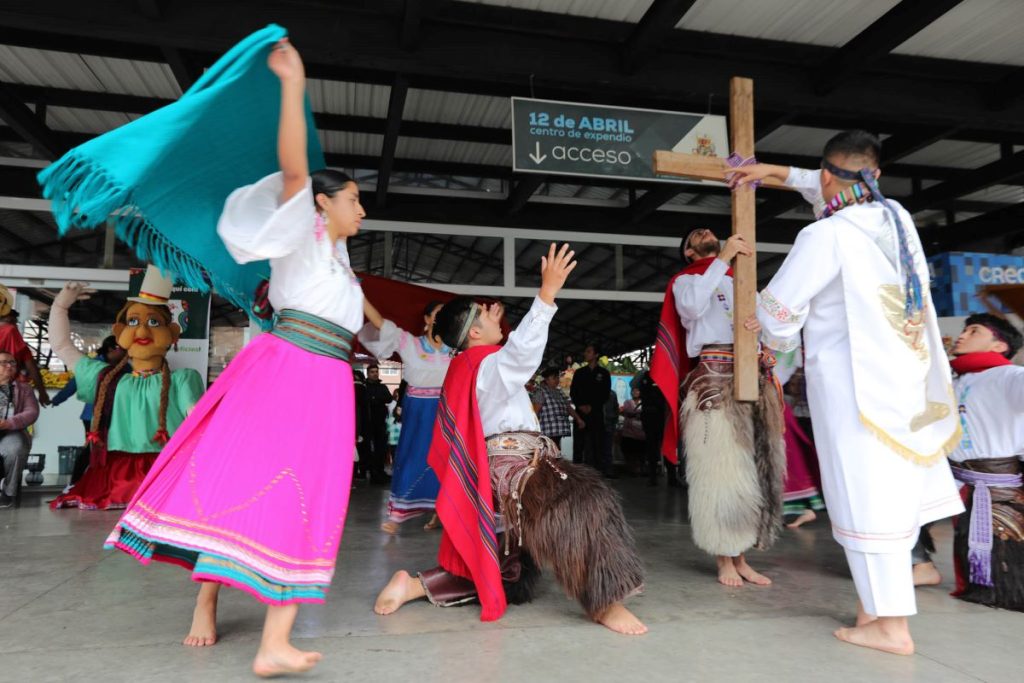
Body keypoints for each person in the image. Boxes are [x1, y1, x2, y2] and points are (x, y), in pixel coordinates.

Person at [104, 39, 364, 676]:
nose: (362, 207)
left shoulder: (341, 262)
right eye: (353, 197)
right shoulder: (301, 233)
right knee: (242, 479)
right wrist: (295, 90)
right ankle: (209, 600)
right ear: (322, 204)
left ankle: (274, 641)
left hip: (328, 379)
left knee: (313, 496)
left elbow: (355, 319)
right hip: (288, 370)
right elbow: (297, 169)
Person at [741, 130, 963, 655]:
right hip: (908, 389)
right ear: (876, 175)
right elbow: (838, 190)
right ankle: (873, 613)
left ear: (825, 175)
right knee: (892, 500)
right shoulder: (898, 220)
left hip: (857, 392)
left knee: (866, 504)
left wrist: (767, 328)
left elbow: (779, 310)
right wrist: (777, 174)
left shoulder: (826, 236)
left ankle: (891, 629)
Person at [373, 243, 646, 635]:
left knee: (503, 570)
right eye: (485, 313)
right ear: (474, 333)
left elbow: (509, 358)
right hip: (514, 465)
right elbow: (519, 358)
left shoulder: (474, 364)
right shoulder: (482, 363)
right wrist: (546, 295)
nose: (494, 312)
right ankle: (604, 601)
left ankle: (412, 585)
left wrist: (496, 327)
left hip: (518, 460)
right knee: (588, 502)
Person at [650, 227, 785, 588]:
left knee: (753, 470)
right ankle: (724, 559)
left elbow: (767, 326)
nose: (706, 233)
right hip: (711, 380)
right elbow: (692, 310)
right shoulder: (685, 283)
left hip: (750, 375)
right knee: (719, 472)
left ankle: (742, 558)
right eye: (696, 234)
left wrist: (763, 333)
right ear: (689, 252)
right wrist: (723, 258)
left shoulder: (737, 280)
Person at [48, 267, 205, 511]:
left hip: (166, 468)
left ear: (172, 334)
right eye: (133, 322)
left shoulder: (182, 379)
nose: (142, 331)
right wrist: (60, 307)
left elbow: (195, 415)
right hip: (115, 472)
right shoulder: (109, 379)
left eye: (154, 322)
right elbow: (62, 346)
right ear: (120, 334)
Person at [942, 314, 1024, 611]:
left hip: (998, 484)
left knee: (1005, 550)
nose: (962, 335)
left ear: (999, 344)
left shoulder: (1009, 377)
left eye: (974, 331)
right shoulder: (951, 380)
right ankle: (920, 566)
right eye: (964, 329)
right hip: (956, 479)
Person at [360, 300, 448, 532]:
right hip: (419, 411)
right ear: (427, 319)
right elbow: (379, 322)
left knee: (445, 463)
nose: (443, 318)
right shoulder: (410, 342)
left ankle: (441, 511)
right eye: (438, 314)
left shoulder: (456, 349)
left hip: (446, 412)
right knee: (413, 459)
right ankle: (397, 514)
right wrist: (359, 294)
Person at [50, 335, 127, 484]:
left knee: (114, 449)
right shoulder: (92, 365)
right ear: (111, 348)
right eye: (123, 349)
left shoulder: (125, 368)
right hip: (93, 417)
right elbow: (74, 383)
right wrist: (57, 399)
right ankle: (74, 484)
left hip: (116, 416)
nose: (126, 353)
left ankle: (105, 483)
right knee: (91, 450)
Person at [0, 351, 40, 508]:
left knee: (16, 448)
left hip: (11, 431)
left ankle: (8, 493)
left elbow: (32, 412)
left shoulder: (23, 388)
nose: (9, 366)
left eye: (12, 363)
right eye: (4, 363)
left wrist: (9, 423)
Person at [0, 285, 50, 407]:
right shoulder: (10, 331)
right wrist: (42, 392)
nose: (15, 326)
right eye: (13, 321)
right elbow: (31, 366)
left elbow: (31, 365)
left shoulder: (14, 337)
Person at [570, 344, 612, 475]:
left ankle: (597, 472)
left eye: (588, 352)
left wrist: (592, 406)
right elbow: (573, 392)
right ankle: (576, 472)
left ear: (596, 355)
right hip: (580, 413)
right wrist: (581, 405)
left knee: (597, 442)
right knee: (579, 443)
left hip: (596, 412)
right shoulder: (579, 373)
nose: (585, 354)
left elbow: (605, 394)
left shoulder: (604, 374)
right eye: (585, 351)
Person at [532, 366, 584, 453]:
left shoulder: (559, 392)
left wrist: (578, 419)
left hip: (558, 430)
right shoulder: (540, 392)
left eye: (557, 377)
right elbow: (535, 412)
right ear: (547, 380)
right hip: (547, 431)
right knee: (549, 451)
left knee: (556, 450)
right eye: (554, 378)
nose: (557, 380)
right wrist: (534, 429)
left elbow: (568, 407)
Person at [360, 363, 394, 485]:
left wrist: (376, 399)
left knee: (381, 448)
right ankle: (372, 472)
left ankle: (380, 470)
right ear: (367, 374)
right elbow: (365, 400)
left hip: (380, 423)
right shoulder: (364, 387)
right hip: (368, 423)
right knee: (370, 449)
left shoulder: (382, 387)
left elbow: (389, 398)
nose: (375, 374)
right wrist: (376, 399)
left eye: (376, 371)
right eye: (372, 372)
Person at [620, 387, 646, 476]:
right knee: (630, 451)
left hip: (642, 433)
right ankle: (632, 469)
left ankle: (641, 469)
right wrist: (639, 413)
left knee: (641, 452)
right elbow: (628, 411)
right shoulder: (627, 402)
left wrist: (637, 413)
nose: (635, 392)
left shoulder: (645, 402)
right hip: (629, 432)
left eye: (637, 390)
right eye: (633, 391)